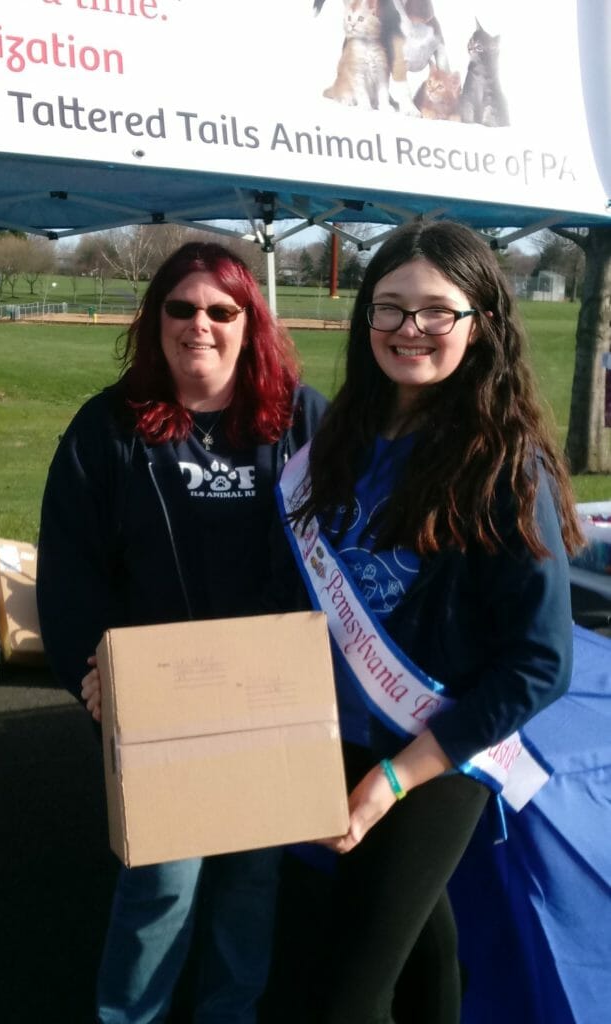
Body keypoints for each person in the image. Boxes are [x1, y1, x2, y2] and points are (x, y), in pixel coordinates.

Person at [278, 218, 584, 1024]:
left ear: (480, 324)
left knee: (345, 994)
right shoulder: (341, 434)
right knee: (421, 955)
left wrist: (391, 781)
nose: (408, 329)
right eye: (387, 307)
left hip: (433, 757)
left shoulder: (504, 468)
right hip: (339, 737)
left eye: (434, 311)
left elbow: (540, 663)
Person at [36, 240, 327, 1024]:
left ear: (249, 322)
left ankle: (228, 1015)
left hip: (270, 700)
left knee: (251, 885)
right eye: (182, 308)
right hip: (167, 707)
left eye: (221, 311)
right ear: (155, 318)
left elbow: (346, 546)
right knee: (160, 886)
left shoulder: (299, 418)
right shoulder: (108, 427)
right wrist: (90, 669)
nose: (200, 324)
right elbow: (69, 572)